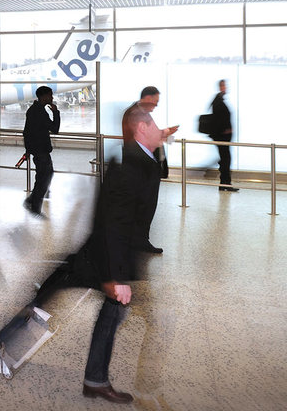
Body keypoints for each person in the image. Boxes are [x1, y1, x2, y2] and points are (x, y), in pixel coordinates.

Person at [81, 106, 164, 403]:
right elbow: (115, 223)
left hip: (119, 255)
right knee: (112, 316)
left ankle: (95, 379)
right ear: (141, 128)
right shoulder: (131, 165)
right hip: (113, 257)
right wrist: (117, 276)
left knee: (111, 317)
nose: (158, 128)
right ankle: (97, 380)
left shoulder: (140, 157)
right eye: (154, 124)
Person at [122, 86, 178, 253]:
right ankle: (138, 240)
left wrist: (165, 133)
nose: (156, 105)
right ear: (147, 98)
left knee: (143, 205)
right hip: (141, 167)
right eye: (155, 102)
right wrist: (165, 133)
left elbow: (151, 136)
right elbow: (146, 138)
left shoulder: (138, 112)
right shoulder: (135, 113)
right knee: (143, 204)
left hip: (144, 166)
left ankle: (138, 239)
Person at [23, 86, 60, 215]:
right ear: (43, 96)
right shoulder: (40, 112)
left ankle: (31, 202)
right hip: (42, 150)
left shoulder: (32, 110)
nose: (52, 97)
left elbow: (26, 132)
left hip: (37, 150)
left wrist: (28, 149)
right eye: (50, 95)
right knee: (44, 178)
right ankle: (35, 207)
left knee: (43, 177)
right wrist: (56, 112)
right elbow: (55, 129)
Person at [210, 79, 237, 192]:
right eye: (223, 86)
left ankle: (225, 183)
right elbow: (219, 119)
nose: (225, 88)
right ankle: (225, 183)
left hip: (223, 136)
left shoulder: (219, 100)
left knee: (225, 159)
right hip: (221, 137)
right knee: (225, 159)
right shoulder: (218, 101)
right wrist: (225, 130)